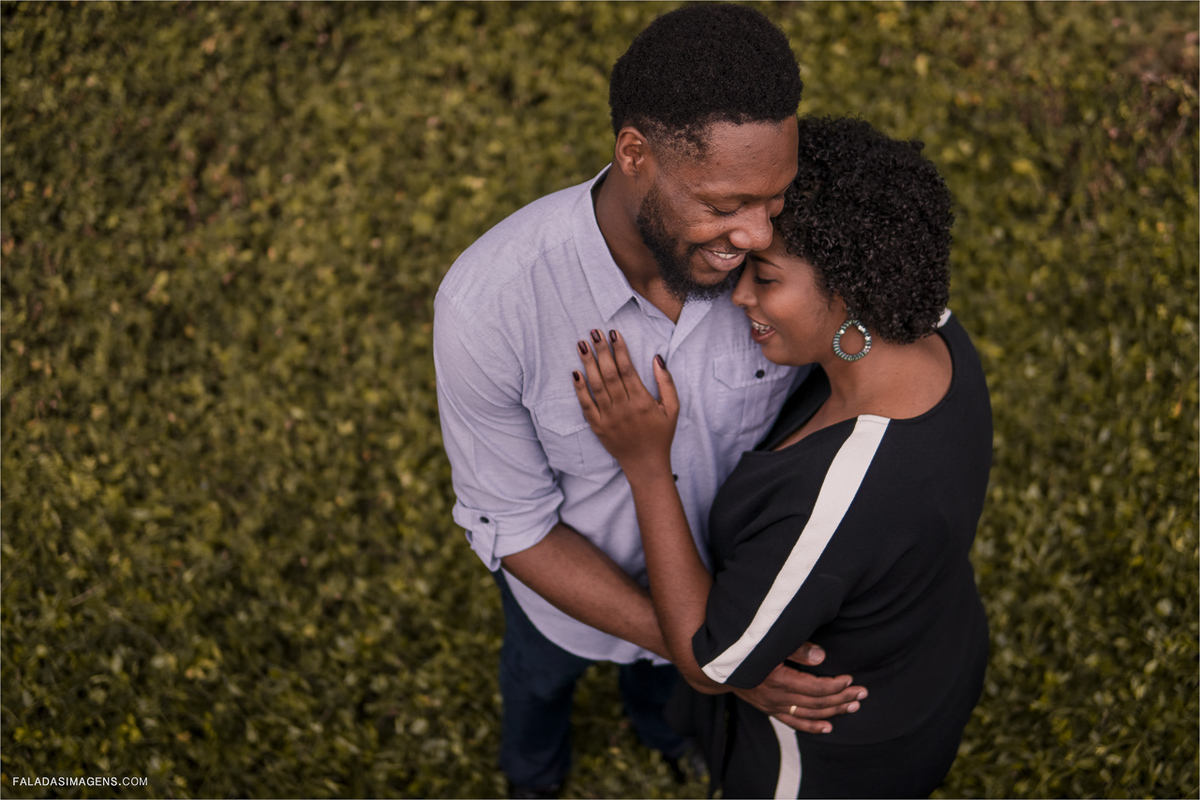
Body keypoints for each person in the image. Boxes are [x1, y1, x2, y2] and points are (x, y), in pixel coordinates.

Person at [433, 6, 867, 797]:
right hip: (568, 610)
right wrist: (708, 655)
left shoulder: (781, 271)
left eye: (774, 199)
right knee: (536, 691)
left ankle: (662, 727)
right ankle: (534, 775)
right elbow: (517, 527)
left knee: (664, 702)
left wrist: (708, 642)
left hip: (719, 589)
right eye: (724, 204)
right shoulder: (490, 306)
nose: (759, 236)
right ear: (634, 154)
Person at [571, 115, 991, 798]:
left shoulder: (848, 490)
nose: (739, 295)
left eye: (765, 278)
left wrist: (647, 463)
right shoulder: (933, 330)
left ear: (850, 287)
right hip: (931, 649)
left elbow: (715, 661)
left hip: (826, 754)